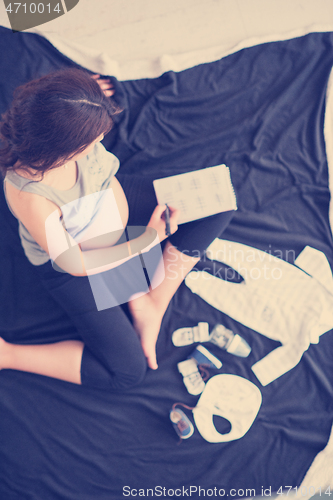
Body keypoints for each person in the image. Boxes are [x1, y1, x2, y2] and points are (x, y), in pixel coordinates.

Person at [0, 68, 233, 390]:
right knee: (126, 373)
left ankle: (153, 302)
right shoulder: (28, 191)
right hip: (78, 259)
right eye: (91, 141)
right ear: (59, 147)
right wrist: (145, 241)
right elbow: (74, 263)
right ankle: (8, 355)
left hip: (115, 208)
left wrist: (82, 98)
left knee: (220, 200)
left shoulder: (58, 124)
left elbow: (50, 104)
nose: (99, 142)